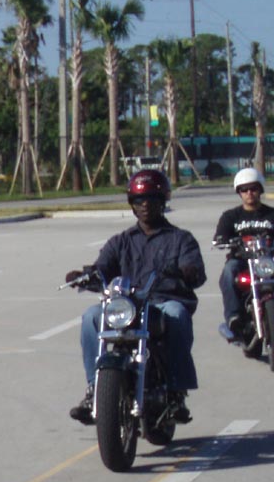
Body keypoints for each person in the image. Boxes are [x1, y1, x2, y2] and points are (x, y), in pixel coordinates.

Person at [68, 169, 206, 425]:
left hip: (162, 303)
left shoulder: (181, 239)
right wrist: (86, 275)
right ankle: (94, 389)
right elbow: (102, 267)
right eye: (139, 200)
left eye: (151, 199)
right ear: (131, 204)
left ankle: (177, 390)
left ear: (162, 201)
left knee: (177, 314)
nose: (144, 205)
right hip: (127, 305)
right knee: (91, 317)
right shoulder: (121, 241)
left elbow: (196, 273)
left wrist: (187, 271)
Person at [213, 167, 274, 335]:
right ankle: (233, 316)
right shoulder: (230, 216)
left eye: (253, 188)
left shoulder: (271, 214)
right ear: (239, 192)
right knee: (228, 271)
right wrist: (222, 240)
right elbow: (220, 237)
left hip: (268, 260)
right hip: (241, 260)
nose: (249, 193)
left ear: (260, 189)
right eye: (244, 190)